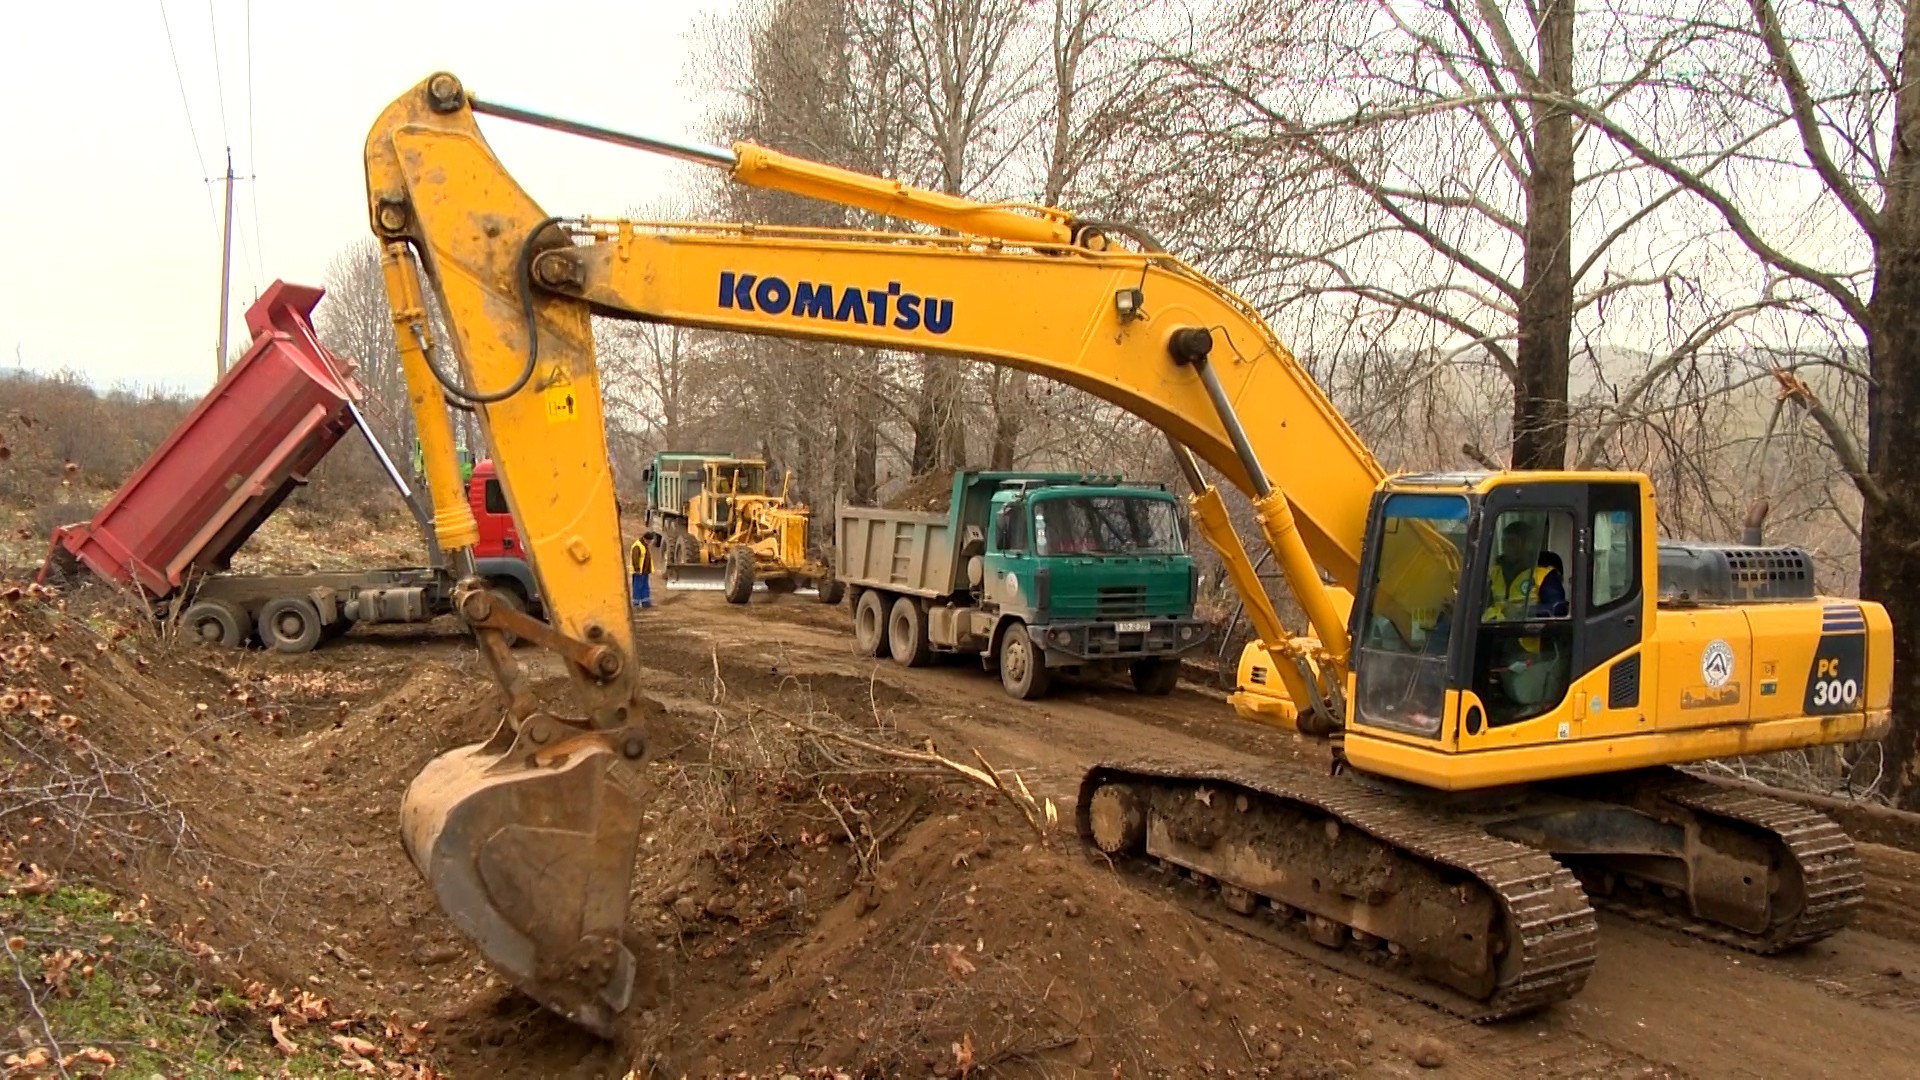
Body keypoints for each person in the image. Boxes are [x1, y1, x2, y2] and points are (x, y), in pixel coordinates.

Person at [631, 531, 658, 609]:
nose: (649, 543)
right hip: (638, 572)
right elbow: (635, 558)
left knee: (645, 587)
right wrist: (637, 569)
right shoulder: (637, 546)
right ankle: (636, 603)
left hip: (645, 571)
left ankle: (645, 602)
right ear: (645, 539)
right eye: (649, 541)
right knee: (637, 587)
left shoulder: (644, 545)